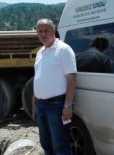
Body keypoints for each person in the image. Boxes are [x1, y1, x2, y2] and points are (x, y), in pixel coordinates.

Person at [32, 18, 77, 155]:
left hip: (57, 106)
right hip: (41, 105)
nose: (43, 34)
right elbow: (39, 77)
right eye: (40, 31)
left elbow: (72, 79)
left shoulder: (64, 49)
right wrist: (34, 102)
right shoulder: (40, 52)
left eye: (46, 30)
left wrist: (68, 106)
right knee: (46, 145)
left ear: (54, 31)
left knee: (60, 147)